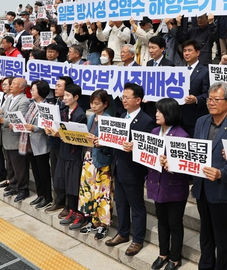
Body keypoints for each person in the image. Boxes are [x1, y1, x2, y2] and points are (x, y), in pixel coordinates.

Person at [192, 82, 227, 270]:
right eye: (209, 99)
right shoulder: (201, 121)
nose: (211, 103)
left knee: (223, 237)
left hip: (223, 191)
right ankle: (206, 265)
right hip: (202, 188)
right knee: (205, 233)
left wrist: (221, 173)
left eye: (216, 99)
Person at [104, 83, 155, 257]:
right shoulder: (121, 116)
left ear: (138, 100)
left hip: (133, 170)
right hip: (118, 166)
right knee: (121, 203)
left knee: (137, 206)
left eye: (127, 97)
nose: (123, 100)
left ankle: (138, 239)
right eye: (123, 97)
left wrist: (135, 147)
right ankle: (123, 233)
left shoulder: (147, 121)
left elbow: (149, 147)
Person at [149, 98, 190, 270]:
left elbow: (188, 166)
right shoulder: (154, 131)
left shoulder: (182, 135)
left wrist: (171, 164)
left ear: (170, 113)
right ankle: (162, 253)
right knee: (161, 221)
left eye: (160, 111)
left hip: (174, 187)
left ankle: (174, 257)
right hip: (157, 184)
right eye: (157, 110)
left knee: (174, 223)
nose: (156, 114)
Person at [45, 83, 87, 228]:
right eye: (65, 95)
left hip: (74, 155)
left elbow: (77, 136)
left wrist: (60, 134)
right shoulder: (63, 111)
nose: (65, 98)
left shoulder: (80, 114)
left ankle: (76, 212)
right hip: (63, 152)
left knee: (73, 185)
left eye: (68, 95)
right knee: (64, 182)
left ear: (76, 97)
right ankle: (69, 209)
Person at [77, 89, 114, 240]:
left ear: (105, 104)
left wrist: (101, 144)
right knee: (90, 191)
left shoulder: (109, 120)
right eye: (92, 103)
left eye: (97, 103)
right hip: (88, 158)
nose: (93, 106)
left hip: (102, 161)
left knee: (103, 194)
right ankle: (94, 221)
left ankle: (103, 225)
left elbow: (112, 144)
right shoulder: (91, 117)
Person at [0, 77, 31, 202]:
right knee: (10, 164)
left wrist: (2, 120)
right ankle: (13, 186)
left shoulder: (24, 101)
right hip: (6, 136)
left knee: (19, 166)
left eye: (15, 84)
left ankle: (23, 189)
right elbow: (3, 114)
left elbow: (20, 120)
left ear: (22, 88)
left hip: (16, 138)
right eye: (12, 83)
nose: (11, 85)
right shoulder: (9, 98)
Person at [22, 80, 53, 210]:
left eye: (33, 90)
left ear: (40, 92)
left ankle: (47, 197)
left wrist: (34, 127)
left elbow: (47, 124)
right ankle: (40, 194)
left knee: (43, 171)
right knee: (35, 170)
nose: (31, 92)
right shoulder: (32, 105)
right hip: (30, 143)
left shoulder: (47, 106)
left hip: (41, 144)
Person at [180, 40, 209, 137]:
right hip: (179, 117)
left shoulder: (205, 71)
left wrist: (196, 99)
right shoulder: (178, 70)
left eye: (189, 50)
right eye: (184, 51)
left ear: (197, 52)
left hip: (195, 117)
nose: (186, 53)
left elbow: (207, 94)